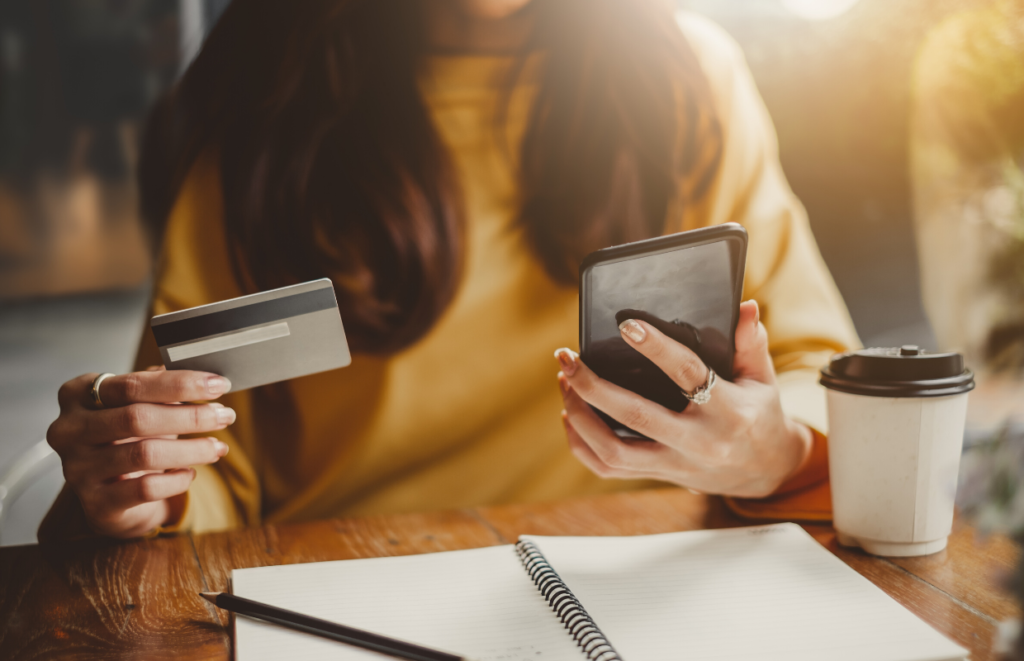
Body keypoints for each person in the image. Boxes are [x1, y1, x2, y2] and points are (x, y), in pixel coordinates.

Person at [41, 0, 858, 541]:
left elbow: (818, 372)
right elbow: (216, 471)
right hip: (338, 590)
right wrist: (152, 488)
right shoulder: (258, 118)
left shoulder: (691, 81)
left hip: (661, 584)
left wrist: (773, 451)